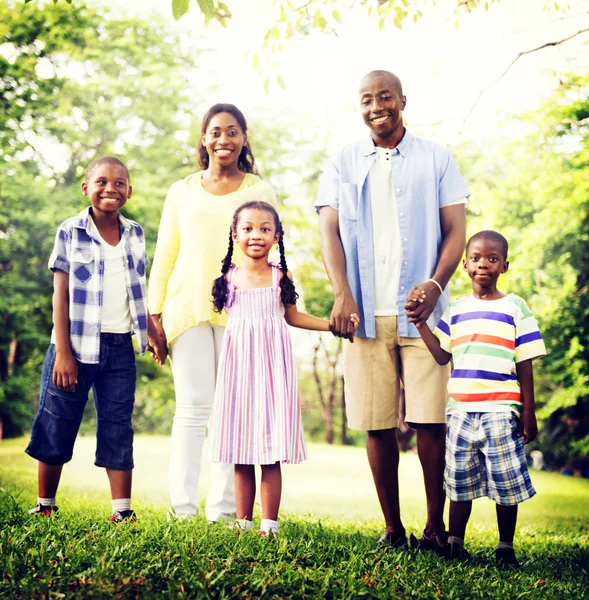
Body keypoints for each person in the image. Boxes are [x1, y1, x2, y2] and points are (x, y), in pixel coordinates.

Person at [315, 70, 469, 549]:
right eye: (366, 99)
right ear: (358, 107)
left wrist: (435, 283)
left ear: (403, 100)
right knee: (376, 421)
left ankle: (433, 526)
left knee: (430, 421)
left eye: (385, 96)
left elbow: (456, 231)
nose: (376, 105)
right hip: (364, 312)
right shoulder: (342, 160)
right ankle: (392, 527)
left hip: (424, 316)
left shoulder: (436, 157)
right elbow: (329, 231)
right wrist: (342, 292)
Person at [148, 104, 277, 521]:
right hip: (185, 308)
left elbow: (271, 251)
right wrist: (153, 315)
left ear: (243, 138)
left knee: (230, 409)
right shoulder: (181, 190)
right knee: (192, 406)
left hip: (241, 312)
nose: (224, 139)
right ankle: (182, 508)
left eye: (233, 131)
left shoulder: (260, 189)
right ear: (204, 139)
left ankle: (223, 510)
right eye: (216, 132)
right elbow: (166, 253)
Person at [206, 201, 359, 536]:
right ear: (235, 235)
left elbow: (293, 316)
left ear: (276, 237)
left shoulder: (281, 276)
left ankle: (269, 524)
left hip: (274, 371)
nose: (255, 235)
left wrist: (332, 325)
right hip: (239, 373)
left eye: (264, 229)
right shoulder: (228, 277)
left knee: (269, 449)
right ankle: (243, 522)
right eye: (247, 229)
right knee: (240, 448)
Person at [25, 156, 156, 522]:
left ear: (129, 191)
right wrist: (63, 352)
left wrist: (152, 333)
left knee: (118, 423)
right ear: (87, 188)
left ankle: (122, 511)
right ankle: (46, 505)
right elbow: (60, 293)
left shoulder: (136, 234)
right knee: (57, 419)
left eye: (119, 183)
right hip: (75, 344)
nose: (110, 189)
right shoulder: (71, 230)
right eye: (101, 182)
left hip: (119, 347)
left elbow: (138, 293)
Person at [407, 230, 546, 567]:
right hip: (461, 411)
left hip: (501, 409)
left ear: (504, 266)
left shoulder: (515, 307)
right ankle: (455, 542)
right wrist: (421, 325)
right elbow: (442, 357)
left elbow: (524, 361)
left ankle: (505, 546)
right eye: (478, 259)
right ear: (466, 266)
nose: (485, 264)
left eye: (493, 259)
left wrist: (529, 411)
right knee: (458, 481)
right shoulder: (455, 310)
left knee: (506, 480)